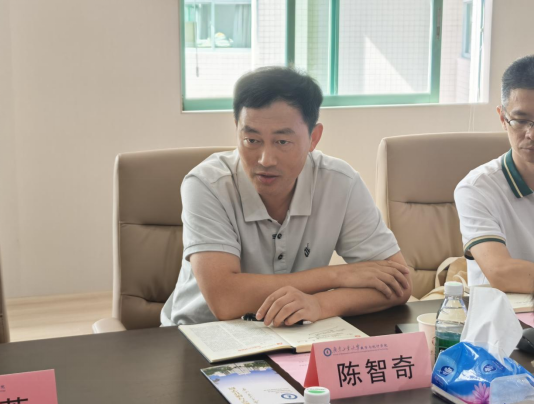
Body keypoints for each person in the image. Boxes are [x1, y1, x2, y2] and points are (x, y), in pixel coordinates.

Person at [161, 67, 412, 327]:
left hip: (290, 334)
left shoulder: (339, 182)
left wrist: (319, 304)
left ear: (314, 138)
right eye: (252, 140)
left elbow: (399, 284)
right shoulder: (207, 184)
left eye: (282, 142)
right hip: (197, 334)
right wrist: (337, 275)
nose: (265, 160)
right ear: (237, 130)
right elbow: (226, 300)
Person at [455, 55, 534, 292]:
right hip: (508, 313)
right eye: (520, 120)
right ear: (502, 118)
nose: (531, 134)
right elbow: (502, 273)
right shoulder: (477, 189)